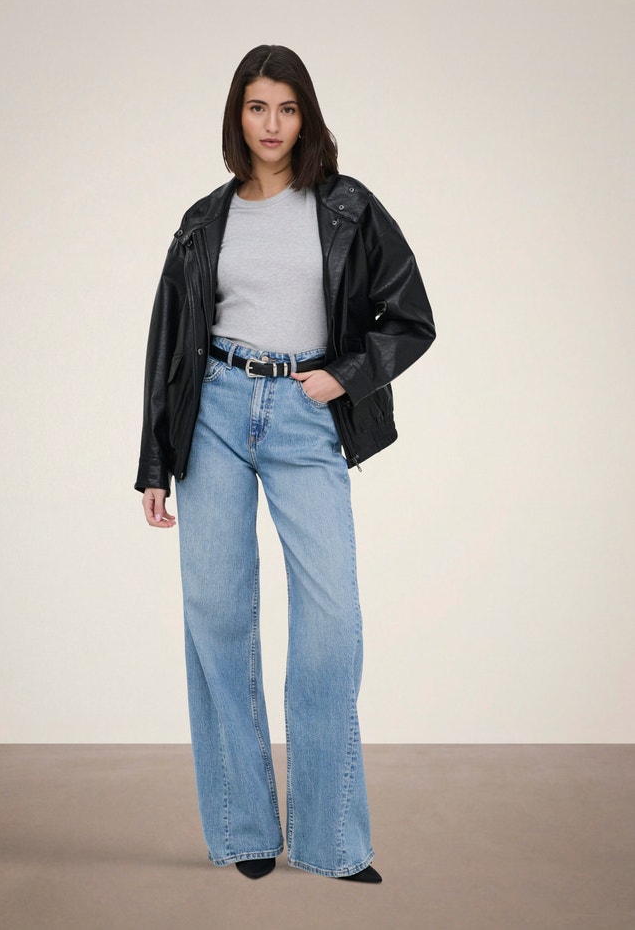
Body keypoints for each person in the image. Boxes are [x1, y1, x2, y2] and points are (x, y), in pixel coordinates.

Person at [135, 44, 435, 883]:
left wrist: (345, 374)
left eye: (288, 108)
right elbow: (168, 342)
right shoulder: (203, 221)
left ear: (307, 117)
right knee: (218, 615)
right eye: (258, 106)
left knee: (331, 619)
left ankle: (332, 839)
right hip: (215, 413)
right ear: (238, 115)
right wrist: (154, 459)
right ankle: (245, 829)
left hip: (306, 415)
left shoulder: (347, 207)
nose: (272, 124)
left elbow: (411, 317)